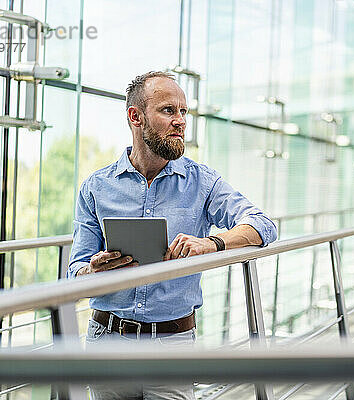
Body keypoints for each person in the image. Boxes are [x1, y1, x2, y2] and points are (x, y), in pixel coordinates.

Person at [66, 71, 277, 399]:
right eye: (168, 111)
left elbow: (263, 225)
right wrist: (94, 270)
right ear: (136, 117)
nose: (180, 121)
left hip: (172, 344)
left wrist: (212, 243)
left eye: (183, 112)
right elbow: (74, 274)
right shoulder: (96, 187)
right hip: (106, 342)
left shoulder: (202, 182)